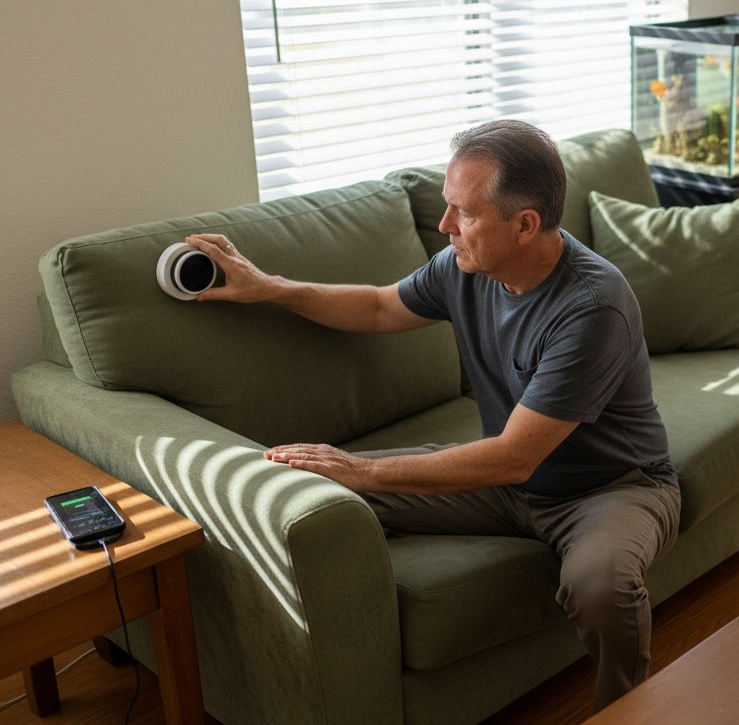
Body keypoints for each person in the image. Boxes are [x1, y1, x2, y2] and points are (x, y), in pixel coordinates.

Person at [185, 119, 681, 710]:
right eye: (446, 208)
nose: (445, 227)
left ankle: (626, 707)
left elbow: (516, 455)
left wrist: (364, 470)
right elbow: (376, 308)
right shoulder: (464, 268)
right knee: (308, 490)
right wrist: (271, 287)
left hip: (611, 489)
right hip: (504, 485)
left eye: (462, 213)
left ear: (523, 225)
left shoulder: (593, 306)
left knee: (598, 585)